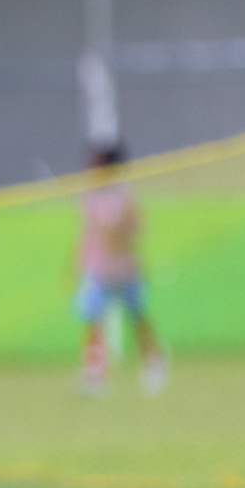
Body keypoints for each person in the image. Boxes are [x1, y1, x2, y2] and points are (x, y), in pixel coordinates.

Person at [77, 144, 167, 394]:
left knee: (137, 317)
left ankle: (154, 362)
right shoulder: (90, 195)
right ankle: (94, 373)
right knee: (93, 320)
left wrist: (117, 237)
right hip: (98, 269)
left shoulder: (125, 195)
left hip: (125, 268)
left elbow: (135, 228)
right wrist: (79, 264)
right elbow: (86, 233)